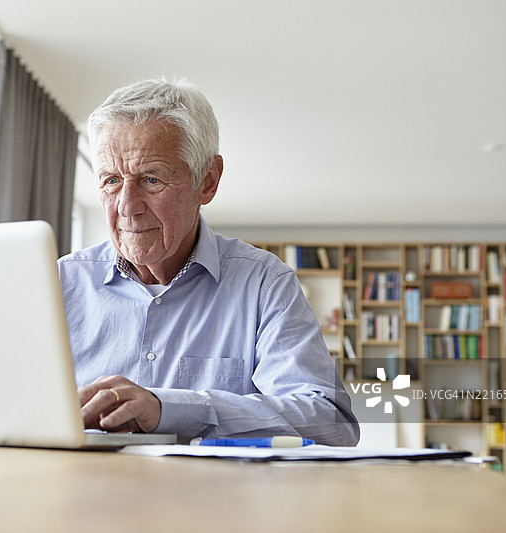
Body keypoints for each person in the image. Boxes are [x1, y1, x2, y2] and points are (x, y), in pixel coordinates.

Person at [58, 78, 359, 446]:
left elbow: (330, 422)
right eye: (111, 180)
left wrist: (171, 409)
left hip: (215, 502)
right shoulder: (58, 283)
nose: (126, 207)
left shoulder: (264, 284)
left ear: (208, 181)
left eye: (151, 179)